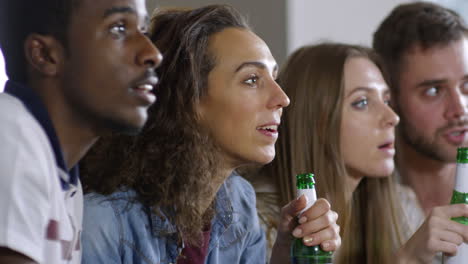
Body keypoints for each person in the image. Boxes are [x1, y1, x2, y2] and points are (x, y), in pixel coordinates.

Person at [80, 5, 340, 264]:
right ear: (188, 98)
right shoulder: (102, 222)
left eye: (274, 78)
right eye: (251, 80)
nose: (282, 99)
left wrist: (285, 254)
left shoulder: (239, 202)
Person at [246, 42, 468, 264]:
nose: (392, 117)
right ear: (315, 123)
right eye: (362, 102)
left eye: (387, 100)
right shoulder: (255, 221)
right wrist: (407, 258)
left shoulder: (401, 206)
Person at [0, 0, 162, 263]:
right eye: (119, 28)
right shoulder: (11, 133)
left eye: (144, 31)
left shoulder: (65, 176)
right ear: (45, 55)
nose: (153, 53)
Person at [373, 2, 468, 262]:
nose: (459, 109)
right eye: (433, 91)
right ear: (391, 99)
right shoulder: (359, 201)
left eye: (466, 84)